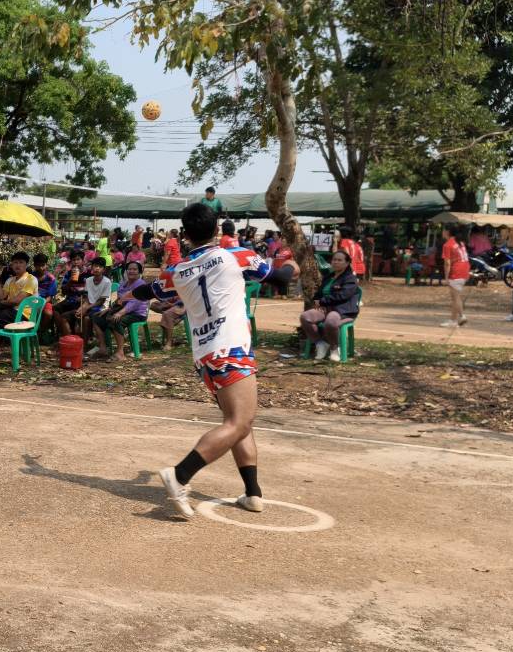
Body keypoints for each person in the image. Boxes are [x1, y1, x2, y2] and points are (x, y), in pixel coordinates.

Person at [147, 203, 271, 519]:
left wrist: (129, 295)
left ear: (185, 234)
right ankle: (180, 475)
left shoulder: (176, 270)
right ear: (217, 229)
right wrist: (293, 265)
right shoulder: (235, 255)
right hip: (232, 347)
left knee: (238, 421)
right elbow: (275, 275)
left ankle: (252, 492)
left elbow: (151, 291)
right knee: (239, 422)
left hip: (205, 355)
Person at [300, 250, 361, 362]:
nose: (336, 262)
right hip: (325, 308)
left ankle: (334, 348)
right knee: (305, 317)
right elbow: (318, 294)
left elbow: (342, 296)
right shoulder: (328, 277)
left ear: (347, 263)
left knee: (331, 321)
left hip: (342, 310)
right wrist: (317, 301)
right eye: (334, 260)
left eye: (339, 260)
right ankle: (320, 343)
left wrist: (322, 301)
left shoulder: (350, 279)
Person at [92, 261, 147, 360]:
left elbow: (134, 303)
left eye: (135, 269)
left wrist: (120, 313)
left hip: (137, 313)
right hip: (123, 310)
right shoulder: (123, 284)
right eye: (129, 269)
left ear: (139, 272)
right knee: (96, 317)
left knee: (116, 320)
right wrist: (110, 309)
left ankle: (120, 353)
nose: (131, 271)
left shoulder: (141, 284)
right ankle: (103, 348)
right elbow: (119, 300)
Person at [0, 251, 38, 323]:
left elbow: (16, 301)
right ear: (12, 265)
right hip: (10, 311)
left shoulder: (31, 279)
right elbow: (0, 297)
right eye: (15, 262)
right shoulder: (10, 280)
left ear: (26, 265)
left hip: (24, 315)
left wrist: (2, 302)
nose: (18, 265)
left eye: (21, 262)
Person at [440, 224, 471, 327]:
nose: (442, 232)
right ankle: (453, 320)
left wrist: (446, 277)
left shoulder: (447, 245)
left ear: (447, 232)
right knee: (455, 297)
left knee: (455, 297)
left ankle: (462, 316)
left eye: (443, 230)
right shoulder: (460, 242)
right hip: (465, 269)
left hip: (456, 271)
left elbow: (447, 263)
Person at [52, 251, 88, 338]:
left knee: (66, 316)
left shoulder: (89, 273)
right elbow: (63, 292)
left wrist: (84, 300)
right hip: (70, 300)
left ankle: (70, 337)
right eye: (73, 260)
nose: (76, 262)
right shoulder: (68, 273)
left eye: (78, 259)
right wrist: (70, 281)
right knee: (55, 309)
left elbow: (92, 291)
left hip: (83, 302)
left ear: (83, 261)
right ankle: (62, 333)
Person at [81, 257, 114, 350]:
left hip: (101, 308)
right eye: (95, 266)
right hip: (90, 306)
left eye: (100, 267)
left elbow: (101, 302)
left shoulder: (107, 282)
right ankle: (82, 341)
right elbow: (86, 297)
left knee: (87, 318)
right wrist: (83, 307)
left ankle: (85, 344)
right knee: (77, 315)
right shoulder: (88, 280)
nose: (97, 268)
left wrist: (86, 308)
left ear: (104, 269)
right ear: (92, 267)